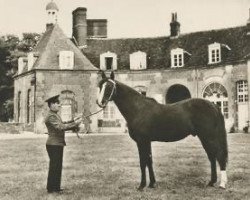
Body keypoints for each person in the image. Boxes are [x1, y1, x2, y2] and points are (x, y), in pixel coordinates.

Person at [44, 94, 82, 193]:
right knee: (55, 166)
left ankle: (54, 187)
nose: (59, 105)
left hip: (57, 144)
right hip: (54, 144)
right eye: (57, 103)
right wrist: (75, 124)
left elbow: (63, 123)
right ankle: (53, 189)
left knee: (57, 166)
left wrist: (74, 120)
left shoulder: (54, 115)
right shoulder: (50, 116)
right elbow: (60, 127)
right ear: (51, 104)